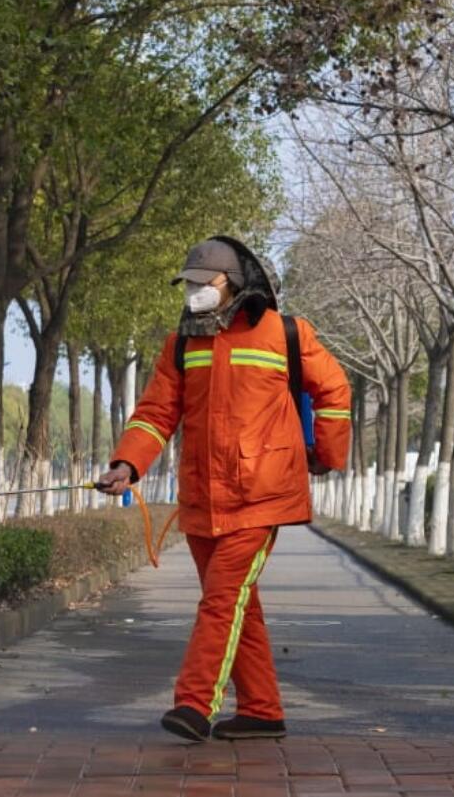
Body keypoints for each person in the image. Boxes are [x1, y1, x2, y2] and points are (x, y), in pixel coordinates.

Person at [98, 236, 351, 742]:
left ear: (231, 284)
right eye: (187, 283)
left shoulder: (285, 334)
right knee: (238, 604)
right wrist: (127, 463)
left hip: (261, 496)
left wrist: (327, 454)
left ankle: (194, 704)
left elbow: (335, 392)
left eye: (201, 283)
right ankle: (262, 710)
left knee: (220, 601)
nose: (192, 291)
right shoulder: (181, 344)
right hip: (202, 499)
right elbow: (156, 413)